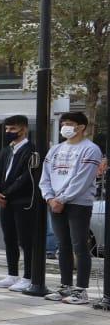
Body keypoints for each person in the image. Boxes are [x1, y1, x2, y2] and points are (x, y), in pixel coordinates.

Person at [38, 111, 103, 305]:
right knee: (62, 245)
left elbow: (82, 179)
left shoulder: (91, 149)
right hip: (55, 203)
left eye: (71, 123)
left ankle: (81, 290)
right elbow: (45, 177)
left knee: (80, 246)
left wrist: (63, 199)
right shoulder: (55, 150)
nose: (66, 126)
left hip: (78, 204)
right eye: (64, 123)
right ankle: (65, 286)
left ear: (82, 126)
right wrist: (50, 198)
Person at [0, 115, 38, 292]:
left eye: (12, 129)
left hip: (23, 202)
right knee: (9, 238)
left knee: (25, 240)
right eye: (7, 129)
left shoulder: (32, 150)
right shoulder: (6, 151)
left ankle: (28, 277)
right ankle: (12, 275)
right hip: (5, 202)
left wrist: (5, 194)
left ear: (24, 129)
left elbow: (26, 177)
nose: (8, 132)